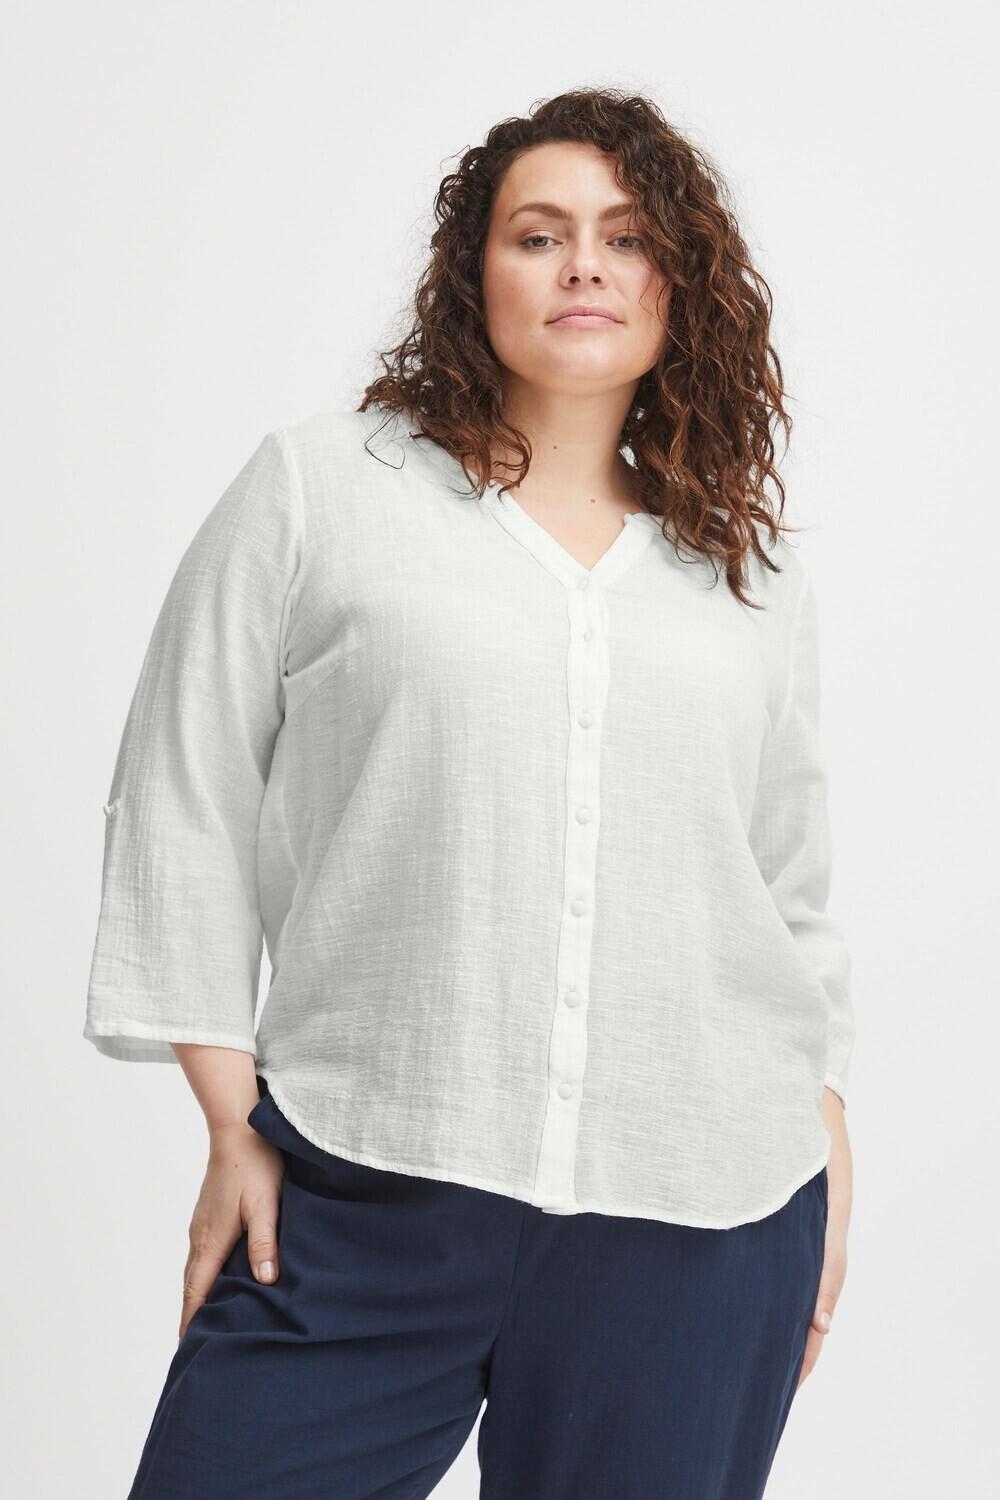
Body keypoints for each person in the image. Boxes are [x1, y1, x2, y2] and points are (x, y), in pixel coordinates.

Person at [84, 86, 855, 1500]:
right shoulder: (324, 491)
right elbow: (184, 788)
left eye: (627, 238)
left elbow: (784, 883)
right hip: (365, 1182)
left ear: (678, 285)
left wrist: (827, 1136)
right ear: (473, 275)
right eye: (538, 234)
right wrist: (228, 1116)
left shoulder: (746, 573)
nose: (583, 267)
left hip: (702, 1209)